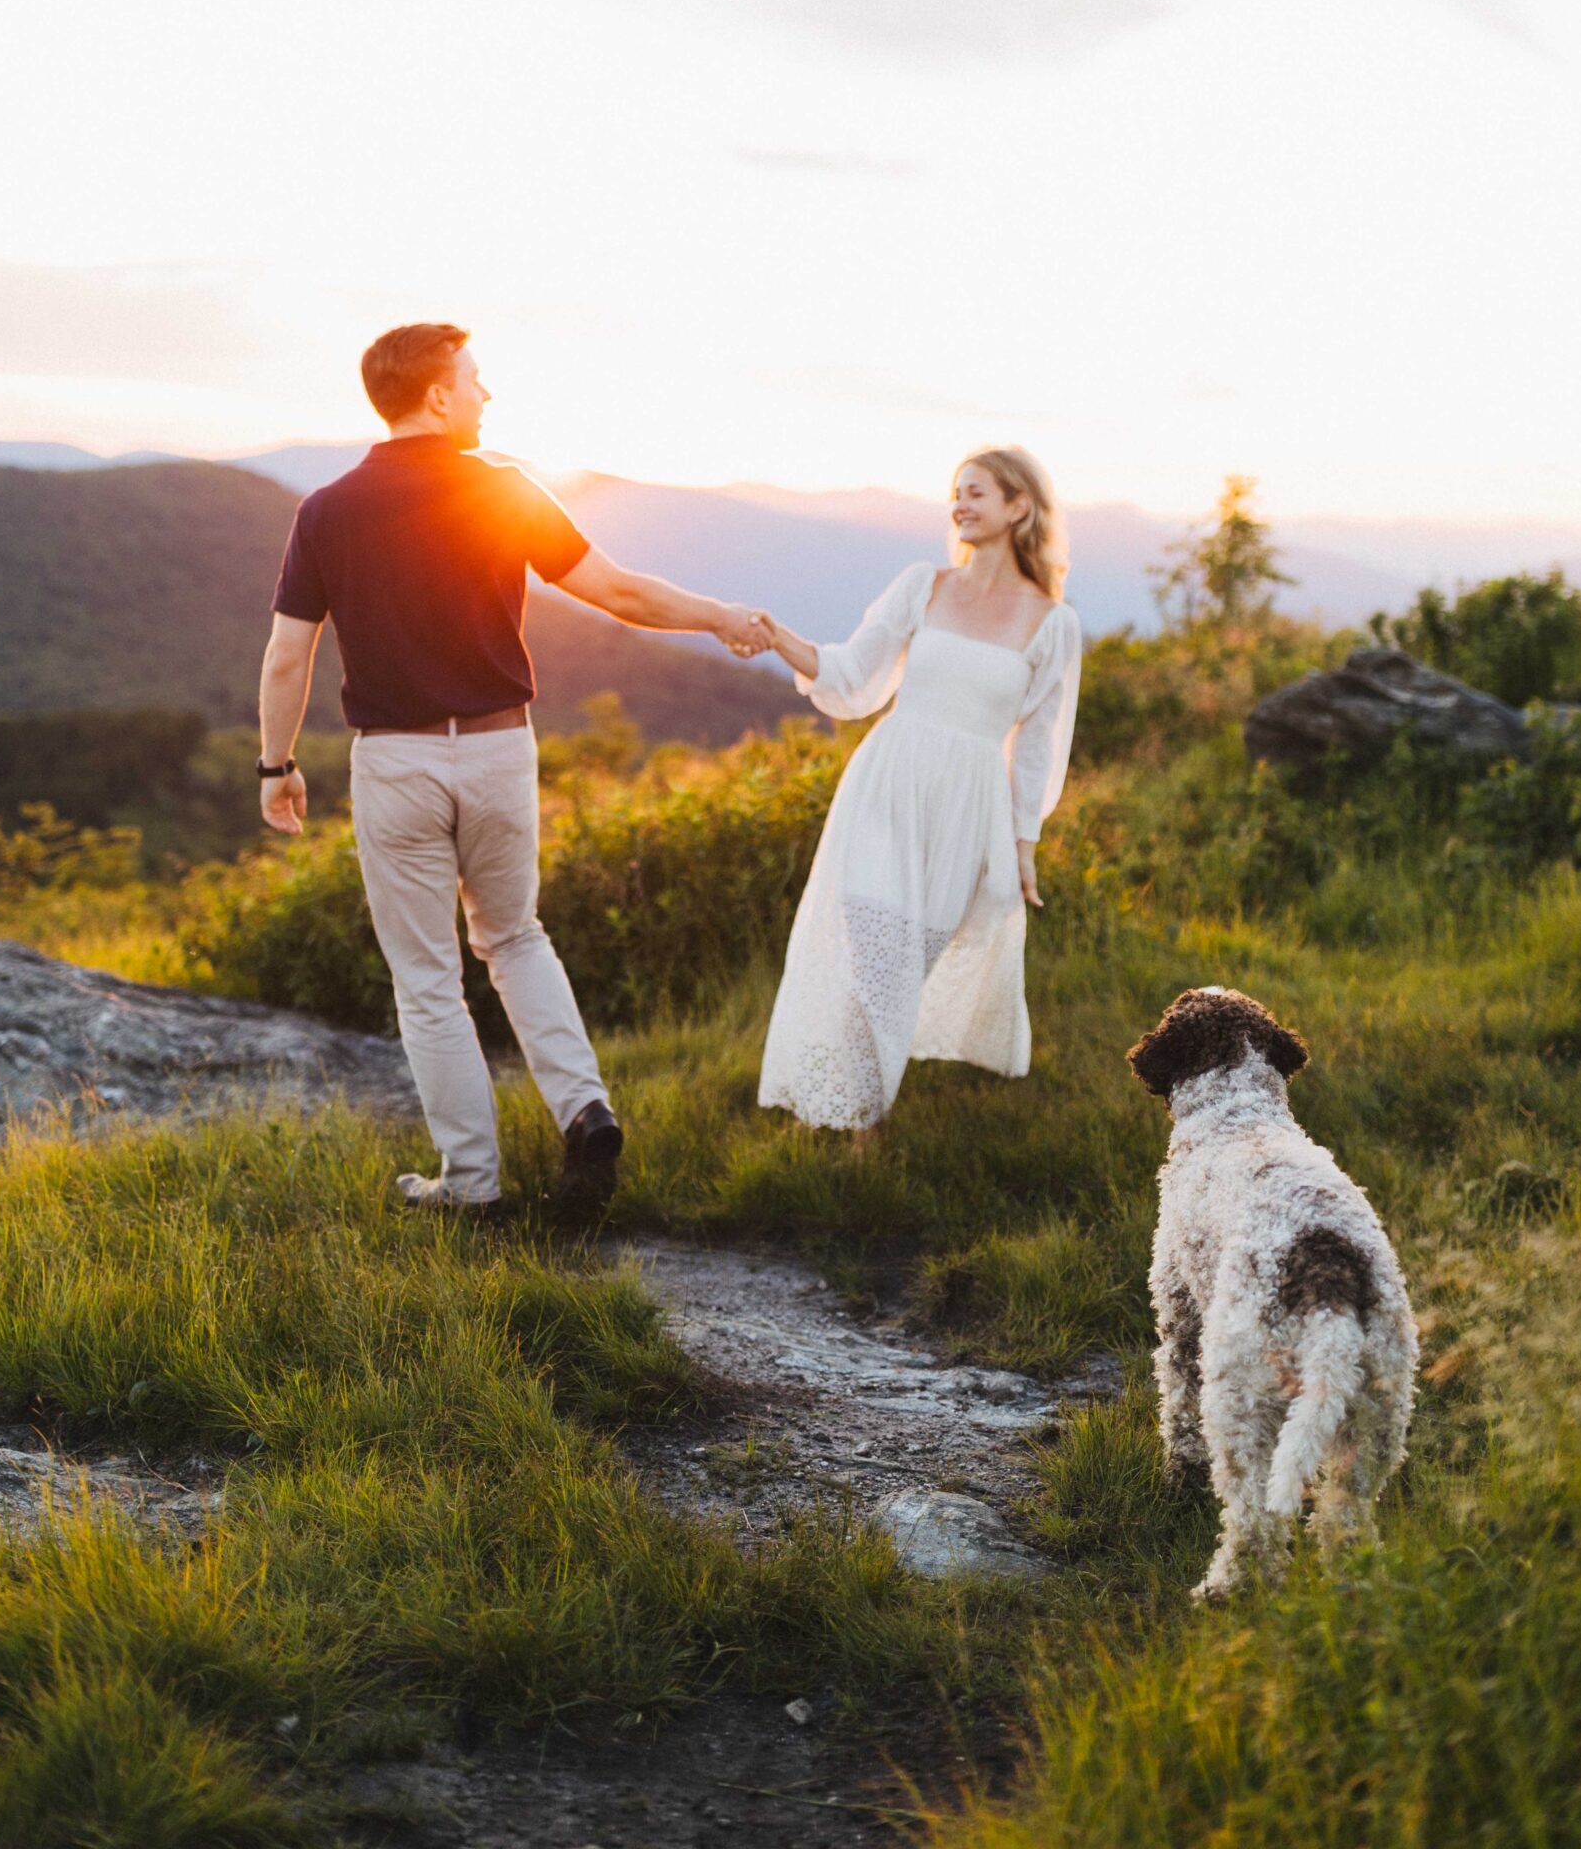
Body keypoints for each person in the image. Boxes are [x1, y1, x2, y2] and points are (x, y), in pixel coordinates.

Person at [256, 322, 765, 1218]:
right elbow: (619, 591)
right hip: (499, 747)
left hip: (397, 762)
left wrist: (276, 765)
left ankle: (472, 1185)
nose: (487, 395)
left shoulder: (326, 509)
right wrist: (717, 614)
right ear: (436, 395)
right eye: (475, 380)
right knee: (516, 938)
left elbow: (286, 658)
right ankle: (584, 1110)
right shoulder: (500, 490)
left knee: (427, 979)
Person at [753, 448, 1080, 1133]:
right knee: (872, 947)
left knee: (907, 965)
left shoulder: (1053, 623)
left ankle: (848, 1108)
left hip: (967, 807)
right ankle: (850, 1123)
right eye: (955, 494)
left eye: (976, 493)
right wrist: (780, 638)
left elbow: (1037, 748)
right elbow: (851, 672)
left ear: (1018, 507)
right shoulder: (922, 586)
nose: (958, 504)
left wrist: (1023, 845)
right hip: (887, 784)